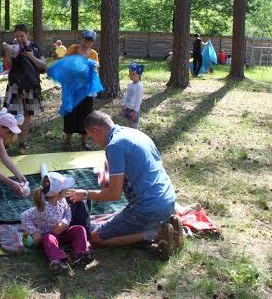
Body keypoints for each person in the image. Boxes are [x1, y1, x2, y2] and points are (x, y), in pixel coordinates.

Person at [69, 111, 183, 259]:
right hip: (169, 200)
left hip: (148, 208)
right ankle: (167, 222)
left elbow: (114, 194)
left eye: (92, 137)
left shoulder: (114, 146)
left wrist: (84, 193)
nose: (95, 142)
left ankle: (156, 233)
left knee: (96, 238)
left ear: (97, 130)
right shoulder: (135, 133)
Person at [21, 171, 92, 275]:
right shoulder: (42, 208)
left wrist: (65, 223)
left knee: (79, 229)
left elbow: (67, 212)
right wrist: (35, 232)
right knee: (48, 238)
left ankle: (80, 255)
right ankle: (57, 262)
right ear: (58, 193)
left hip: (63, 232)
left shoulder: (62, 200)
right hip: (50, 238)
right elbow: (24, 216)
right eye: (65, 188)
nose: (68, 190)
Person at [2, 23, 46, 149]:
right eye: (17, 36)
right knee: (10, 114)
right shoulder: (12, 47)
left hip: (32, 85)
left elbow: (43, 65)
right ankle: (7, 142)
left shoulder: (35, 47)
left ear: (27, 34)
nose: (19, 38)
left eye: (22, 35)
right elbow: (7, 65)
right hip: (15, 85)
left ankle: (22, 141)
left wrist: (31, 56)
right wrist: (6, 51)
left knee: (28, 114)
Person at [63, 30, 99, 150]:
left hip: (86, 90)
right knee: (70, 114)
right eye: (86, 39)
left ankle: (84, 142)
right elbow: (64, 64)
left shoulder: (93, 54)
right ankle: (68, 142)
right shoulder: (73, 48)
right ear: (82, 38)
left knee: (86, 115)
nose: (87, 42)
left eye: (90, 40)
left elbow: (94, 71)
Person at [122, 62, 144, 129]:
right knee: (128, 124)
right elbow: (127, 95)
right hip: (127, 108)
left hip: (134, 109)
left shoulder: (139, 86)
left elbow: (139, 100)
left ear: (139, 74)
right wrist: (123, 105)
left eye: (133, 74)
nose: (131, 76)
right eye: (130, 74)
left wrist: (135, 111)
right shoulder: (130, 84)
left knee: (134, 125)